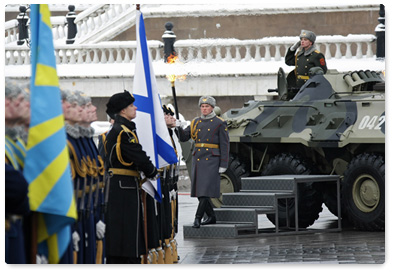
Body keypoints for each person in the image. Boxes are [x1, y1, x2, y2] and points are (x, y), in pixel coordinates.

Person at [104, 90, 158, 264]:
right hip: (123, 187)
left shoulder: (121, 130)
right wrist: (152, 172)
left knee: (124, 228)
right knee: (127, 229)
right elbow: (139, 156)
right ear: (122, 111)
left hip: (120, 185)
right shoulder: (123, 132)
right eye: (130, 106)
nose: (135, 108)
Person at [176, 96, 229, 228]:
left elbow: (225, 145)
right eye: (202, 106)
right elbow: (183, 137)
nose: (204, 109)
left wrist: (223, 164)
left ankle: (197, 218)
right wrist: (177, 127)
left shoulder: (220, 123)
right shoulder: (195, 122)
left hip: (212, 160)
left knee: (205, 192)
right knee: (201, 193)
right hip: (198, 160)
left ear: (212, 108)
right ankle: (211, 216)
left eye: (207, 106)